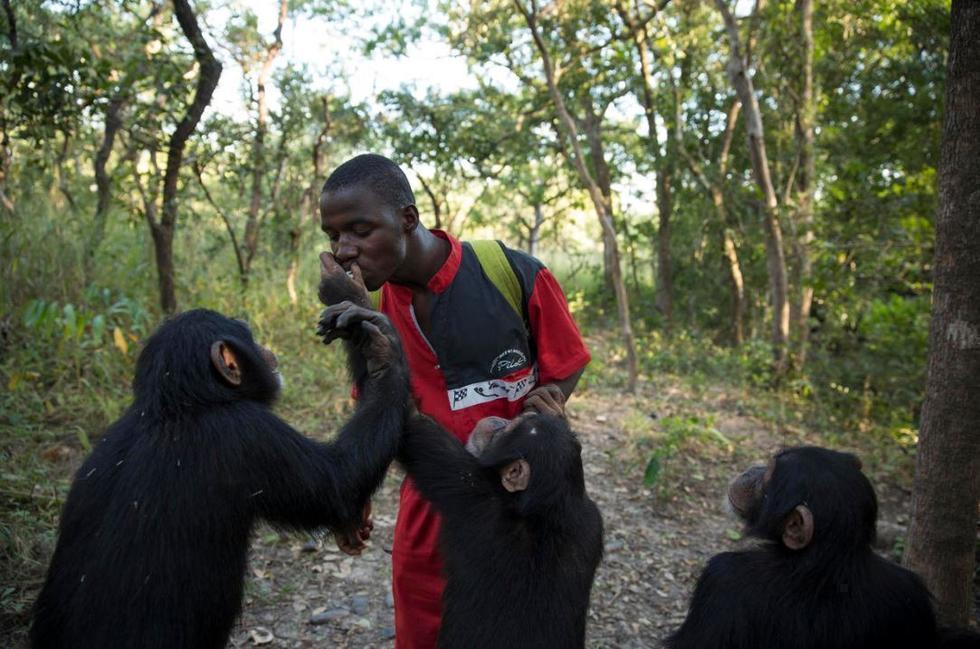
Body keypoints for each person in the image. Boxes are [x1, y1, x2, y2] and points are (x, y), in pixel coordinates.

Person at [317, 153, 591, 649]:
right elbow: (378, 412)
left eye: (360, 230)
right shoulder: (373, 314)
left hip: (519, 518)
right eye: (334, 237)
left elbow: (566, 360)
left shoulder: (511, 273)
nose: (344, 251)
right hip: (430, 517)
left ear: (407, 219)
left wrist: (548, 403)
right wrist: (355, 491)